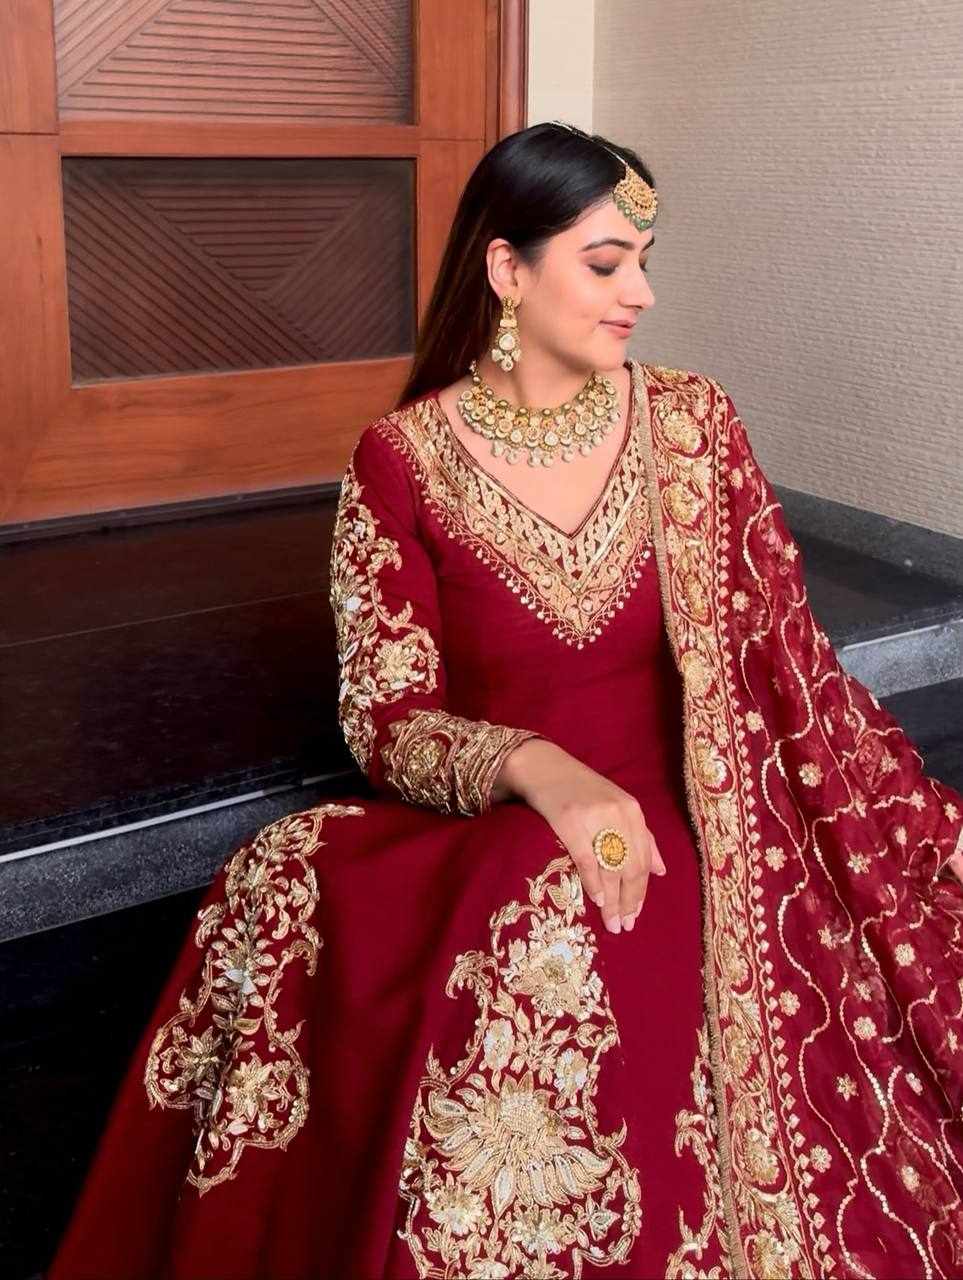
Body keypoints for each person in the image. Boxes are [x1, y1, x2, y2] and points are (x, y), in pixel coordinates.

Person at [46, 122, 963, 1280]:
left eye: (643, 260)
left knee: (578, 910)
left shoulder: (693, 427)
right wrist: (544, 770)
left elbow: (789, 669)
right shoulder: (402, 460)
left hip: (709, 819)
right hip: (497, 813)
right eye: (605, 262)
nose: (641, 292)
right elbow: (386, 718)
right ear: (506, 270)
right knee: (459, 885)